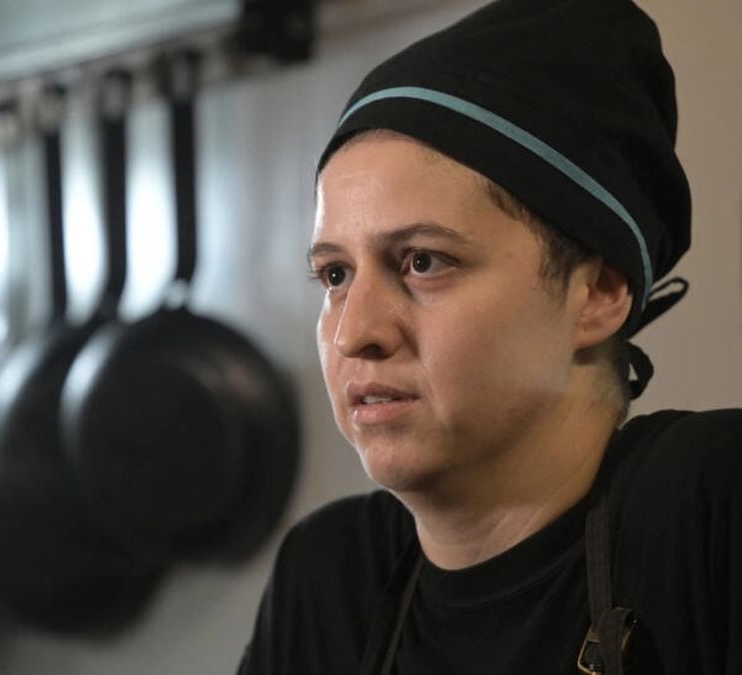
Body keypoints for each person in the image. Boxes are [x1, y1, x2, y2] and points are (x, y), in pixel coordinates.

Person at [236, 0, 742, 673]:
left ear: (599, 293)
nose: (355, 331)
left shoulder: (709, 509)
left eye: (422, 261)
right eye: (334, 274)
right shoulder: (334, 578)